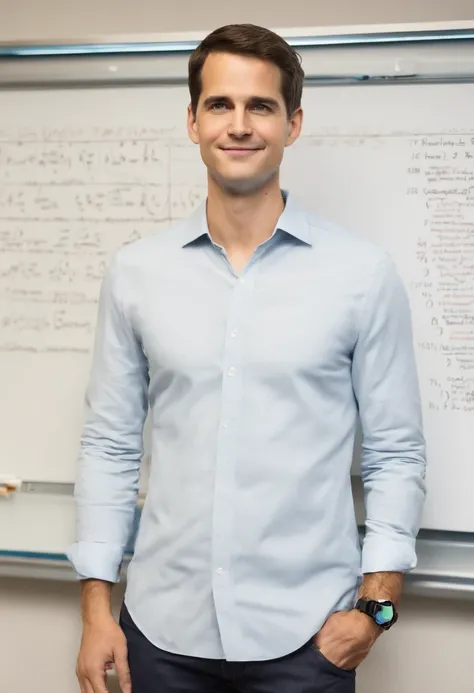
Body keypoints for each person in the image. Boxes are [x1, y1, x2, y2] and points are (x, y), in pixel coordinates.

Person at [67, 22, 426, 693]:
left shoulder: (361, 273)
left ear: (292, 125)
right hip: (159, 635)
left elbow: (395, 453)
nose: (239, 125)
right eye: (220, 105)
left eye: (260, 106)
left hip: (306, 641)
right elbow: (109, 445)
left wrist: (373, 611)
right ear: (193, 121)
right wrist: (95, 609)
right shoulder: (136, 273)